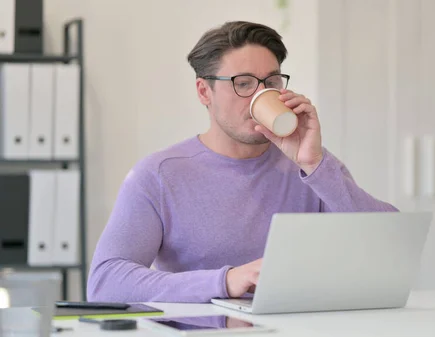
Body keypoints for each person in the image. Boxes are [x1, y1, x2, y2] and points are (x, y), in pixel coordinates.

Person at [87, 21, 397, 303]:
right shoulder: (159, 175)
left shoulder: (309, 166)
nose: (260, 95)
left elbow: (391, 243)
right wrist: (224, 281)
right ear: (203, 92)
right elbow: (105, 282)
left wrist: (315, 164)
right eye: (243, 83)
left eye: (272, 81)